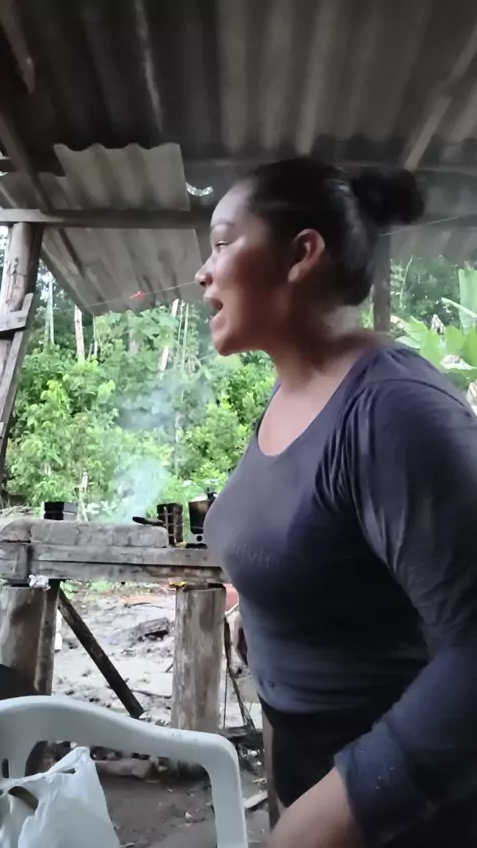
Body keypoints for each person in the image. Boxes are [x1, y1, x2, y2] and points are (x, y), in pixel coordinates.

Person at [197, 157, 477, 847]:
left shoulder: (393, 411)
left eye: (223, 241)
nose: (203, 271)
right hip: (308, 769)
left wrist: (337, 809)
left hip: (396, 811)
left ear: (302, 254)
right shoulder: (291, 394)